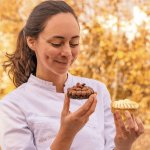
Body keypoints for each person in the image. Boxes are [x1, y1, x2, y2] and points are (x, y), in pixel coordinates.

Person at [0, 1, 145, 150]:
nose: (68, 53)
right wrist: (66, 134)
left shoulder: (98, 90)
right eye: (57, 43)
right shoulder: (12, 106)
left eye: (74, 43)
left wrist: (123, 146)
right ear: (31, 41)